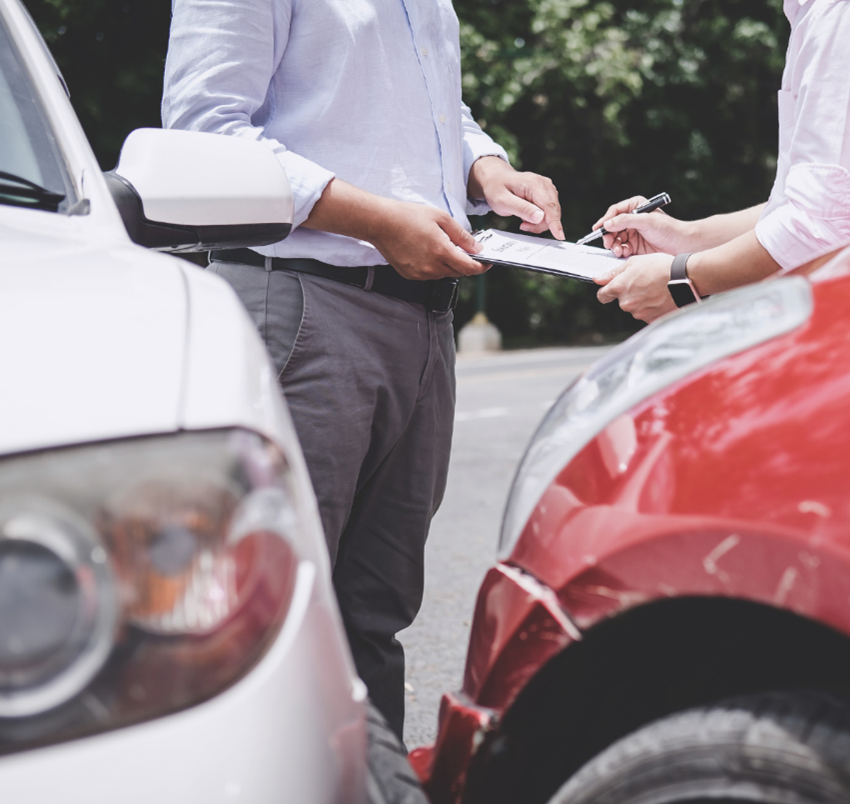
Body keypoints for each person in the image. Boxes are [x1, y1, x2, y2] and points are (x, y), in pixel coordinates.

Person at [161, 0, 563, 738]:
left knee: (372, 617)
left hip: (421, 321)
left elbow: (430, 111)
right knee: (273, 617)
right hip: (304, 307)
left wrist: (488, 168)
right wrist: (377, 221)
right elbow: (204, 133)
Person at [594, 0, 850, 322]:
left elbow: (818, 228)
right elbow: (822, 209)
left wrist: (682, 277)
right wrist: (685, 237)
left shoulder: (846, 13)